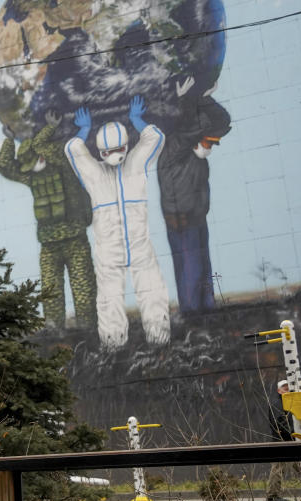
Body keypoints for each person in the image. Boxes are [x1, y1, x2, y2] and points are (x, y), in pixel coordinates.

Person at [64, 96, 170, 349]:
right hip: (109, 250)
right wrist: (84, 130)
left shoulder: (136, 164)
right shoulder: (94, 174)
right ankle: (113, 344)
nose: (114, 155)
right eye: (108, 152)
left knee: (153, 292)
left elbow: (155, 137)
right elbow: (73, 149)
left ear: (126, 147)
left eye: (119, 150)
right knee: (109, 300)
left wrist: (137, 119)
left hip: (140, 246)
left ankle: (159, 340)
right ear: (99, 152)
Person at [0, 111, 98, 331]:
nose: (31, 168)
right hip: (48, 244)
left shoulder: (63, 165)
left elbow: (49, 148)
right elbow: (4, 166)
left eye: (34, 161)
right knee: (50, 293)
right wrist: (9, 140)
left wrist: (49, 128)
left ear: (41, 156)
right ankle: (55, 335)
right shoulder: (31, 175)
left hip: (75, 239)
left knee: (83, 291)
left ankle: (88, 332)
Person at [156, 96, 231, 313]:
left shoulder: (195, 158)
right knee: (191, 270)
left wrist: (204, 97)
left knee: (203, 268)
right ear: (194, 139)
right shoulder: (173, 150)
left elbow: (222, 122)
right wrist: (190, 97)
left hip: (197, 217)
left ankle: (206, 309)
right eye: (208, 142)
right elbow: (194, 126)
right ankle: (193, 315)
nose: (210, 147)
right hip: (181, 220)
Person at [266, 379, 297, 501]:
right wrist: (293, 433)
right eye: (285, 388)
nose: (287, 390)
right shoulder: (278, 403)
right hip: (282, 441)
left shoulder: (287, 403)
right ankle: (273, 495)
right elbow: (279, 422)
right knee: (279, 468)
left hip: (289, 440)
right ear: (279, 390)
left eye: (289, 387)